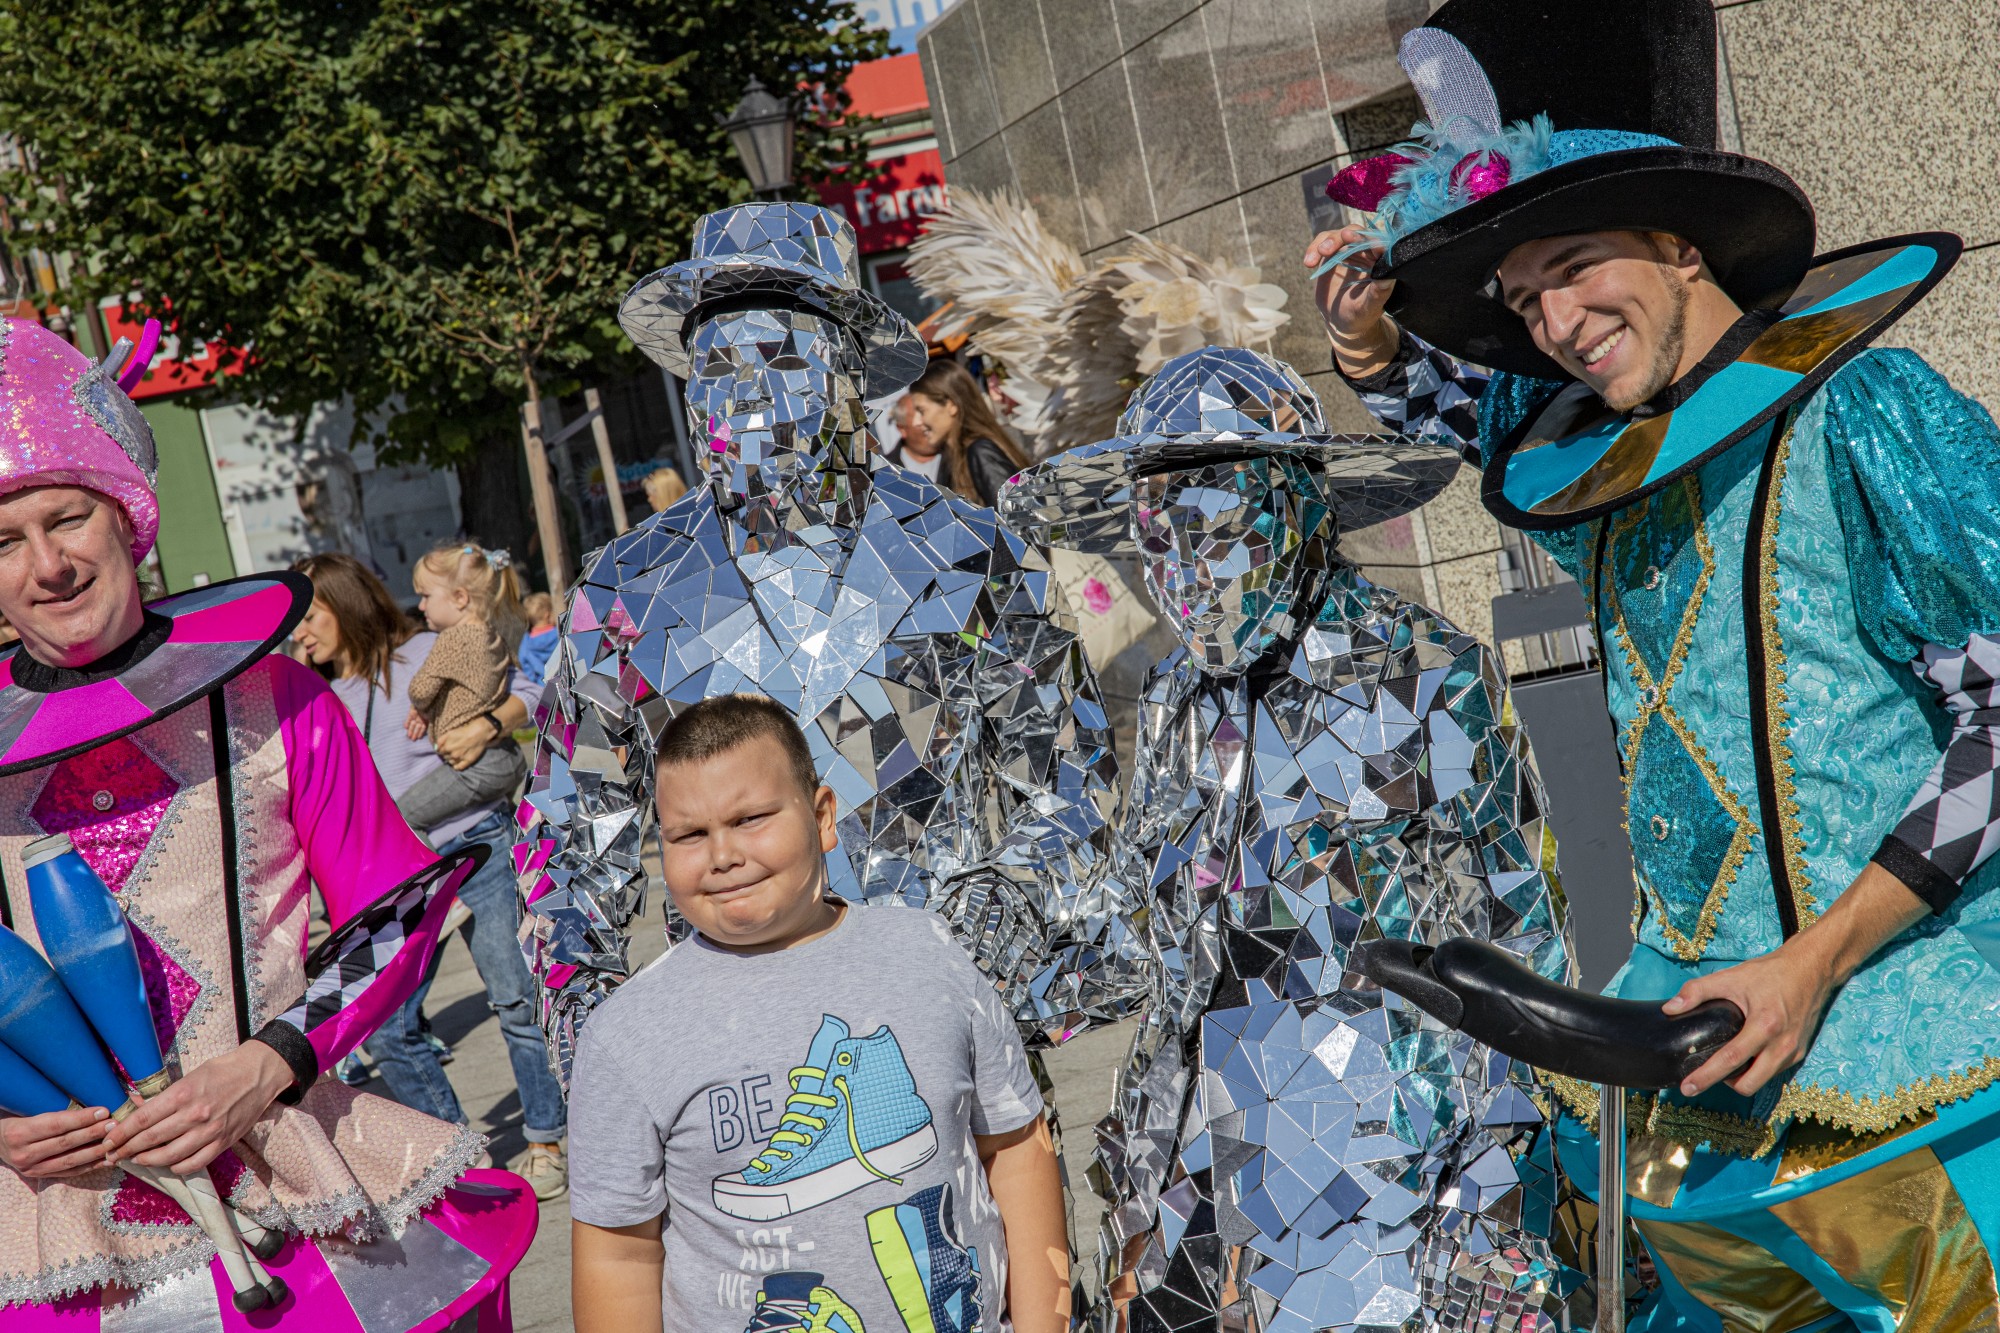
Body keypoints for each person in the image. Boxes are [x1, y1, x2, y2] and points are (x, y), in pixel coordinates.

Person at [1305, 0, 2000, 1321]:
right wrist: (1372, 349)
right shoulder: (1614, 469)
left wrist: (1816, 962)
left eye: (1575, 265)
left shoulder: (1863, 413)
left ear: (1681, 241)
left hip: (1926, 1068)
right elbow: (1487, 420)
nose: (1557, 322)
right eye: (1522, 300)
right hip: (1701, 1076)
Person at [1005, 346, 1583, 1330]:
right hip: (1207, 1162)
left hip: (1387, 1173)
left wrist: (1489, 1188)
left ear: (1298, 513)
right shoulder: (1182, 694)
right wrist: (1010, 988)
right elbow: (1158, 928)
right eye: (1160, 540)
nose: (1187, 573)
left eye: (1217, 529)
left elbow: (1518, 940)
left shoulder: (1421, 674)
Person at [521, 203, 1143, 1097]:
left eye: (777, 362)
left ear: (845, 376)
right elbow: (564, 833)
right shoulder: (629, 588)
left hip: (957, 1046)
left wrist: (985, 921)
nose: (741, 398)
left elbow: (1071, 776)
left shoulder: (971, 553)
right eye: (713, 368)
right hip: (732, 1066)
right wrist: (598, 1035)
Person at [0, 317, 534, 1324]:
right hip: (73, 1233)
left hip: (295, 1179)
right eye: (4, 541)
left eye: (67, 518)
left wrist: (270, 1061)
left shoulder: (275, 696)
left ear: (126, 516)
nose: (46, 564)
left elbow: (398, 915)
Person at [566, 694, 1069, 1333]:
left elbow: (1017, 1148)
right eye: (689, 834)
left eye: (751, 818)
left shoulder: (926, 954)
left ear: (823, 815)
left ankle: (866, 1116)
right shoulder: (625, 1034)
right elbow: (618, 1254)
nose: (722, 855)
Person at [293, 552, 569, 1200]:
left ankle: (546, 1138)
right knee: (389, 1029)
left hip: (476, 845)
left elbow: (528, 690)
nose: (301, 632)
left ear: (346, 604)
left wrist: (487, 722)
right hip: (399, 881)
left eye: (310, 615)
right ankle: (463, 1157)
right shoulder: (321, 696)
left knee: (516, 1000)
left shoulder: (426, 651)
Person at [399, 542, 529, 832]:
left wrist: (421, 708)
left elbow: (420, 689)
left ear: (459, 597)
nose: (421, 606)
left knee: (404, 818)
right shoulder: (492, 635)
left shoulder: (452, 639)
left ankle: (434, 879)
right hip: (504, 754)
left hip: (478, 764)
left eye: (426, 596)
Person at [890, 359, 1030, 506]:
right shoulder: (956, 457)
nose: (917, 422)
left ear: (951, 405)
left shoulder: (980, 451)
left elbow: (1018, 519)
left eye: (922, 411)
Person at [516, 591, 560, 685]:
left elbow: (527, 672)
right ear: (547, 614)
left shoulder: (525, 644)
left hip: (544, 689)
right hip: (565, 682)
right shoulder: (559, 635)